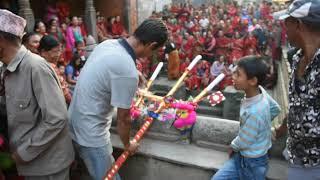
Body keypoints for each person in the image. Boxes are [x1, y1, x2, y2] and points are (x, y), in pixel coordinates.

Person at [68, 19, 168, 180]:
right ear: (151, 45)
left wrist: (134, 73)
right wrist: (128, 145)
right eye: (154, 51)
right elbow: (124, 119)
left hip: (74, 121)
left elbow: (109, 68)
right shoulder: (126, 70)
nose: (151, 55)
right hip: (91, 135)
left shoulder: (108, 44)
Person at [0, 10, 74, 179]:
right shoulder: (6, 69)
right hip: (29, 165)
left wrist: (22, 154)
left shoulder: (36, 67)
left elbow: (56, 119)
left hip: (47, 167)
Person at [212, 56, 281, 180]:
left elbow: (244, 140)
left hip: (253, 164)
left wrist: (233, 146)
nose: (233, 76)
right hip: (242, 157)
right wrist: (263, 127)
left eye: (237, 74)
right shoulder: (261, 92)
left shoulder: (255, 111)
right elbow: (276, 108)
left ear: (252, 81)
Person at [274, 1, 320, 179]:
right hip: (297, 158)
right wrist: (283, 127)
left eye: (287, 22)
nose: (284, 28)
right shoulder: (297, 58)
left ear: (298, 25)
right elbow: (298, 104)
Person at [38, 35, 72, 105]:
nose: (58, 54)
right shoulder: (51, 67)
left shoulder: (39, 63)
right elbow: (65, 93)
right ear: (43, 52)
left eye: (59, 51)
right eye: (55, 52)